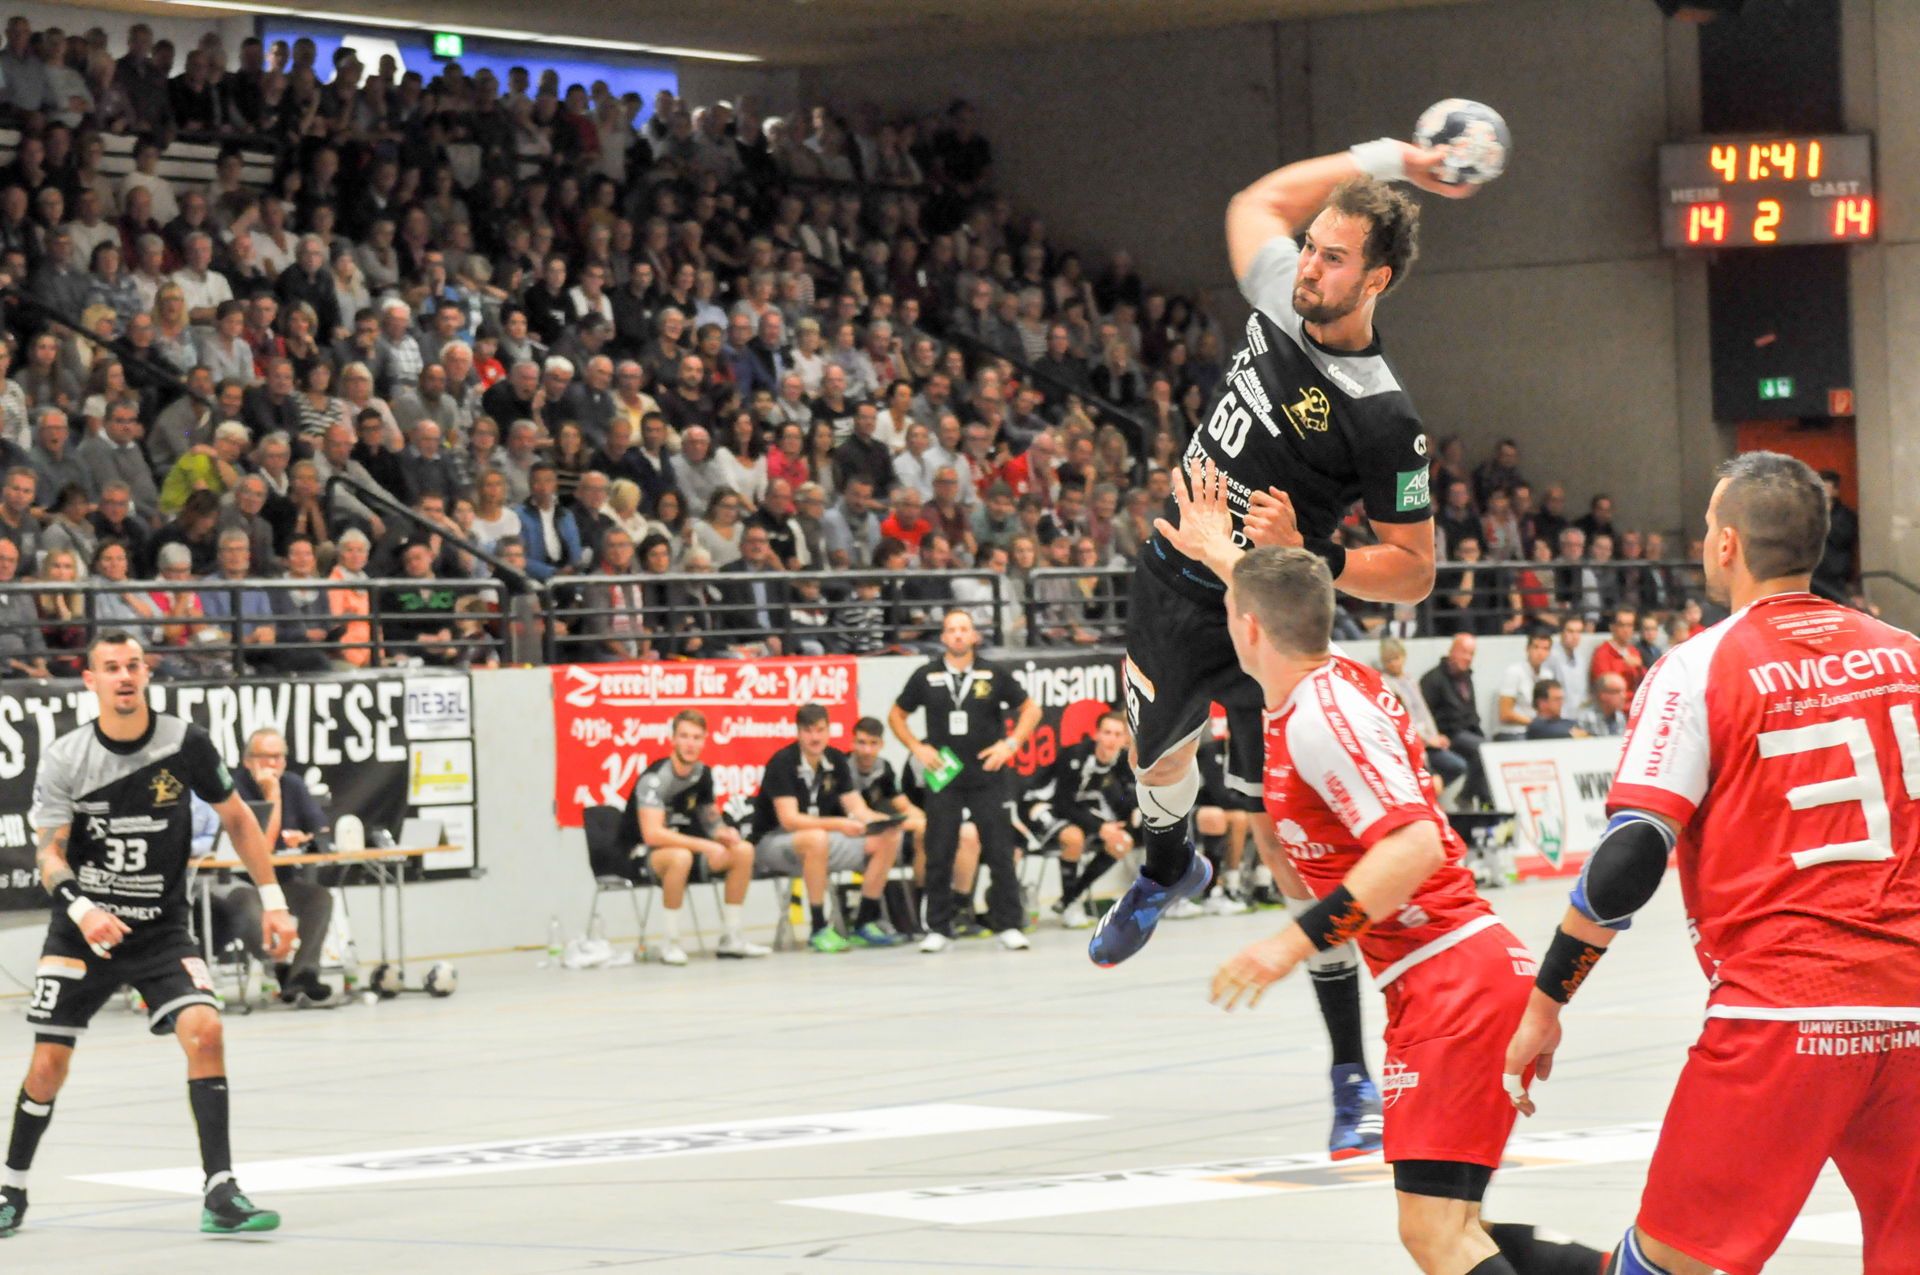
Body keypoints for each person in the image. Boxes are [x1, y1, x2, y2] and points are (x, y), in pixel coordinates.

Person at [1504, 452, 1920, 1275]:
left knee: (1670, 1262)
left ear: (1726, 544)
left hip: (1785, 1016)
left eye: (1704, 527)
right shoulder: (1908, 653)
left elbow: (1630, 858)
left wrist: (1547, 999)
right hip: (1913, 1010)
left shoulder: (1698, 668)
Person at [1105, 141, 1459, 1027]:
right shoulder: (1278, 293)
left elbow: (1415, 570)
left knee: (1284, 839)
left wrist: (1313, 552)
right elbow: (1254, 201)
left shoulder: (1385, 415)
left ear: (1375, 281)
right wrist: (1395, 158)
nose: (1308, 266)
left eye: (1333, 258)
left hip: (1270, 621)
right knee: (1157, 759)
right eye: (1310, 246)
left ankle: (1347, 1063)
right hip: (1175, 580)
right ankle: (1168, 868)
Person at [1192, 521, 1602, 1275]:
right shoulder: (1325, 677)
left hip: (1452, 981)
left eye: (1230, 613)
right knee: (1454, 1226)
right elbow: (1281, 599)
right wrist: (1221, 553)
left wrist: (1290, 943)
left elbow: (1413, 847)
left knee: (1436, 1235)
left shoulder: (1321, 718)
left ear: (1248, 629)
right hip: (1451, 974)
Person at [3, 632, 289, 1239]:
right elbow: (49, 855)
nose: (124, 676)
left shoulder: (185, 743)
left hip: (160, 930)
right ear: (91, 681)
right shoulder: (67, 757)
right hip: (83, 932)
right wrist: (84, 910)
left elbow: (238, 819)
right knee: (48, 1066)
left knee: (206, 1031)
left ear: (146, 672)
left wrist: (274, 901)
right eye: (111, 668)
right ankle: (11, 1188)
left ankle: (221, 1191)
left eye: (133, 665)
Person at [888, 610, 1042, 953]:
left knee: (1000, 851)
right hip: (944, 777)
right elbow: (896, 715)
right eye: (951, 630)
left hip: (987, 774)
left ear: (974, 636)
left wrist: (1010, 744)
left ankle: (1009, 925)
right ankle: (938, 928)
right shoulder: (926, 675)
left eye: (964, 629)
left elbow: (1031, 710)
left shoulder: (993, 673)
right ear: (943, 637)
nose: (958, 635)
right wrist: (917, 747)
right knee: (939, 851)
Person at [748, 703, 904, 953]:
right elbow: (789, 820)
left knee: (888, 837)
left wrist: (882, 821)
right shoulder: (782, 761)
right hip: (773, 842)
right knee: (817, 838)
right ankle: (819, 928)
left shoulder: (835, 760)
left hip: (820, 839)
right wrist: (840, 824)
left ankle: (864, 922)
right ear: (798, 732)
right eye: (808, 731)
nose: (815, 737)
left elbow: (857, 808)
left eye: (820, 730)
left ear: (829, 731)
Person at [621, 710, 771, 964]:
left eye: (696, 737)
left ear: (704, 741)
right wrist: (703, 844)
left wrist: (723, 833)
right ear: (673, 740)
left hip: (689, 853)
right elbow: (652, 834)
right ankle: (671, 942)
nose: (690, 744)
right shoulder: (655, 778)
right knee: (680, 857)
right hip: (643, 855)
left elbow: (710, 821)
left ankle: (731, 937)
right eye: (684, 736)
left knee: (743, 851)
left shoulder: (702, 774)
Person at [226, 728, 337, 1003]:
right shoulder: (232, 787)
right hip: (240, 880)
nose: (272, 764)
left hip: (282, 880)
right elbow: (262, 842)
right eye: (264, 757)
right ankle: (278, 967)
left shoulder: (294, 784)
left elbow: (321, 831)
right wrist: (272, 792)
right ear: (247, 760)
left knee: (320, 898)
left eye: (278, 757)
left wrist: (306, 838)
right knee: (248, 904)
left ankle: (304, 973)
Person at [1030, 712, 1137, 931]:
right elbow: (1062, 802)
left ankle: (1069, 897)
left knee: (1122, 842)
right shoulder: (1076, 756)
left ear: (1125, 739)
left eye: (1118, 734)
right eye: (1107, 733)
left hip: (1080, 809)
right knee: (1073, 838)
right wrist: (1099, 827)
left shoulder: (1123, 761)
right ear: (1096, 734)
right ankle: (1071, 905)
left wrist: (1131, 812)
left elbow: (1124, 796)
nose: (1111, 739)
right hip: (1044, 803)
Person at [1378, 638, 1469, 798]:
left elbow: (1424, 711)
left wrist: (1435, 735)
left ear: (1404, 657)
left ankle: (1428, 793)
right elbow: (1400, 722)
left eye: (1397, 658)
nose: (1394, 664)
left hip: (1427, 739)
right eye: (1388, 660)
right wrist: (1426, 740)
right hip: (1412, 744)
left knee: (1458, 765)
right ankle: (1425, 793)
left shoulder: (1410, 680)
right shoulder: (1385, 684)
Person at [1419, 633, 1491, 809]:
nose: (1468, 658)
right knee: (1483, 749)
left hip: (1467, 733)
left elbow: (1471, 713)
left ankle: (1481, 802)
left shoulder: (1467, 678)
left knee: (1488, 749)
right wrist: (1434, 737)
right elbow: (1424, 715)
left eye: (1471, 654)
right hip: (1447, 735)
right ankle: (1470, 798)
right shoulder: (1432, 680)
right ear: (1452, 651)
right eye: (1464, 652)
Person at [1495, 629, 1554, 740]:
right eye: (1536, 647)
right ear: (1527, 649)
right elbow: (1504, 713)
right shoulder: (1514, 672)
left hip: (1537, 730)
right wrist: (1534, 723)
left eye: (1545, 649)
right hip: (1513, 731)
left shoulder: (1548, 675)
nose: (1540, 653)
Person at [1588, 605, 1646, 696]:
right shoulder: (1602, 653)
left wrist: (1640, 667)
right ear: (1612, 627)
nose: (1626, 630)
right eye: (1622, 625)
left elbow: (1645, 685)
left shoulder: (1634, 652)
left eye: (1630, 625)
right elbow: (1604, 689)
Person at [1542, 614, 1590, 709]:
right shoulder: (1550, 657)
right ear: (1561, 633)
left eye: (1578, 632)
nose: (1575, 636)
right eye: (1570, 631)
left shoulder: (1580, 658)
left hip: (1578, 712)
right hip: (1558, 713)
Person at [1574, 672, 1628, 737]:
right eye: (1617, 691)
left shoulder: (1621, 717)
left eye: (1624, 691)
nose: (1623, 696)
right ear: (1603, 694)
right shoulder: (1585, 718)